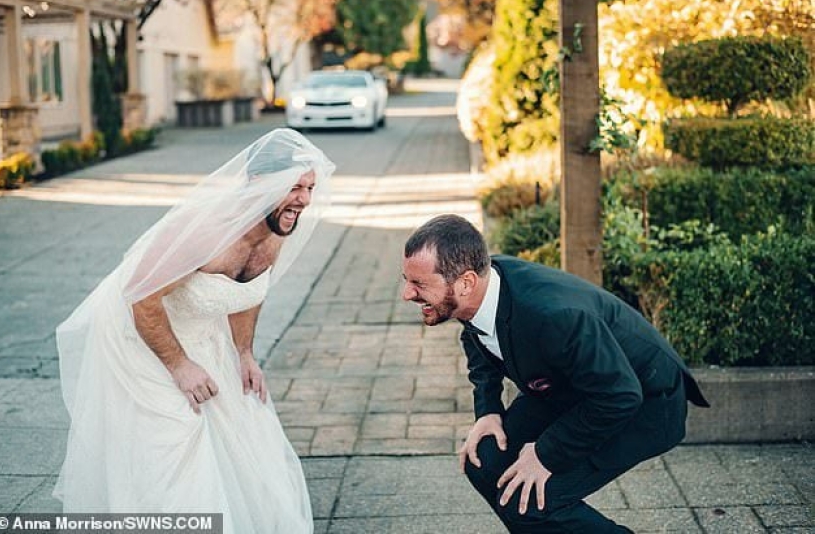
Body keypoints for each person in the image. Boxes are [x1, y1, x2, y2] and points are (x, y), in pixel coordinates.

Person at [53, 128, 336, 533]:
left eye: (309, 187)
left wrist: (243, 353)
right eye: (294, 187)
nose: (304, 200)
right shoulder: (205, 231)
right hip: (136, 333)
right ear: (259, 181)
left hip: (197, 329)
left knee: (237, 425)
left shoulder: (277, 231)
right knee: (175, 436)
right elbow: (140, 298)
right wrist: (179, 365)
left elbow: (248, 291)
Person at [401, 214, 709, 533]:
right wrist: (488, 409)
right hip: (572, 386)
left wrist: (547, 454)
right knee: (485, 462)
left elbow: (620, 396)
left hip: (646, 401)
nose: (407, 294)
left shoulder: (553, 316)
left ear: (466, 283)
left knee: (532, 504)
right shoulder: (478, 288)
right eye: (407, 280)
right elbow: (474, 332)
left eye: (419, 284)